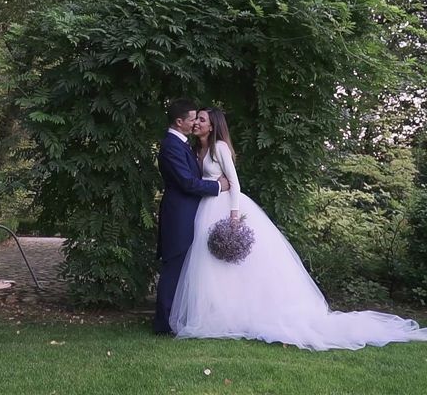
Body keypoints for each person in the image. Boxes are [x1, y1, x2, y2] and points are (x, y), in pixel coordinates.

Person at [169, 107, 427, 350]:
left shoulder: (220, 148)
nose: (197, 123)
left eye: (202, 119)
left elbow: (235, 183)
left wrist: (235, 217)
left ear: (213, 126)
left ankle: (241, 313)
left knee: (232, 263)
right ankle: (216, 312)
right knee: (211, 266)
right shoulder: (196, 150)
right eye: (197, 118)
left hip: (224, 207)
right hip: (205, 208)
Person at [154, 99, 229, 335]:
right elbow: (186, 182)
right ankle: (164, 324)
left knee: (184, 268)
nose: (196, 122)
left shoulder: (184, 145)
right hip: (178, 215)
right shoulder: (171, 146)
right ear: (180, 122)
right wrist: (217, 187)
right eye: (192, 118)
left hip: (189, 214)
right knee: (173, 266)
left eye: (199, 118)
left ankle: (178, 318)